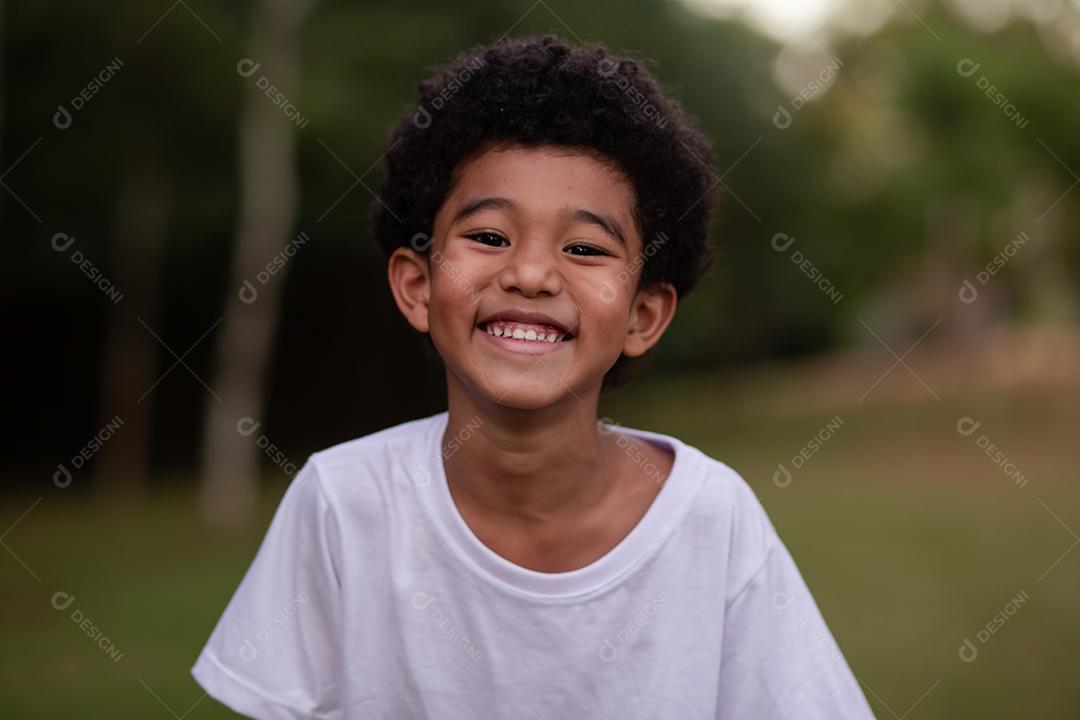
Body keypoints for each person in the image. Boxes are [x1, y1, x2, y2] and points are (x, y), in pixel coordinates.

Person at [191, 33, 877, 719]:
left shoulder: (711, 521)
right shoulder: (344, 504)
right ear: (416, 286)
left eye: (584, 248)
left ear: (643, 314)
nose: (530, 275)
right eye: (489, 236)